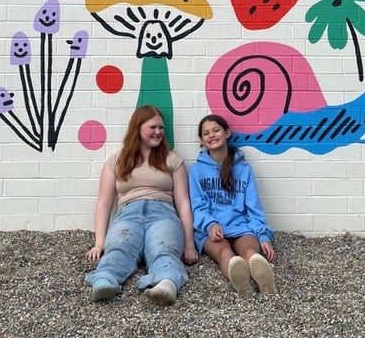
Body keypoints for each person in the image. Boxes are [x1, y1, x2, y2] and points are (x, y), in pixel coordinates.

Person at [85, 105, 198, 304]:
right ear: (138, 128)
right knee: (119, 248)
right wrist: (99, 242)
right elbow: (104, 202)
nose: (158, 132)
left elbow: (183, 203)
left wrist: (189, 243)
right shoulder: (117, 160)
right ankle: (104, 280)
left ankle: (167, 284)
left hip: (163, 214)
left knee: (165, 249)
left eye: (161, 128)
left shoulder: (172, 160)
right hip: (128, 214)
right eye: (153, 127)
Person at [188, 114, 276, 294]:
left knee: (251, 253)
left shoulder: (243, 169)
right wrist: (210, 224)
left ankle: (264, 281)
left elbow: (254, 207)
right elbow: (198, 206)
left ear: (227, 133)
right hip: (212, 231)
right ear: (202, 141)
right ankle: (242, 284)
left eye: (216, 130)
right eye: (206, 133)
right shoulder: (196, 171)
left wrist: (263, 236)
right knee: (226, 255)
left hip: (241, 226)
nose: (211, 135)